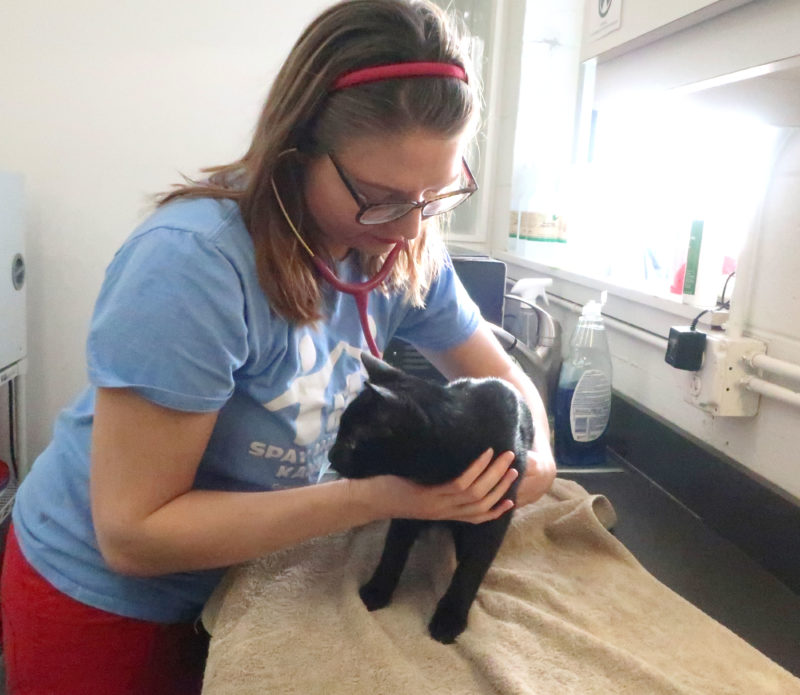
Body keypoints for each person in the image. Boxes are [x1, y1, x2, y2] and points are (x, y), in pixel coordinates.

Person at [0, 0, 556, 692]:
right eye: (383, 198)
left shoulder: (405, 245)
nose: (411, 231)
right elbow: (134, 532)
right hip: (106, 597)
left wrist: (535, 455)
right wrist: (384, 496)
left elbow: (503, 378)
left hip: (245, 579)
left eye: (436, 197)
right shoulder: (193, 264)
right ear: (297, 151)